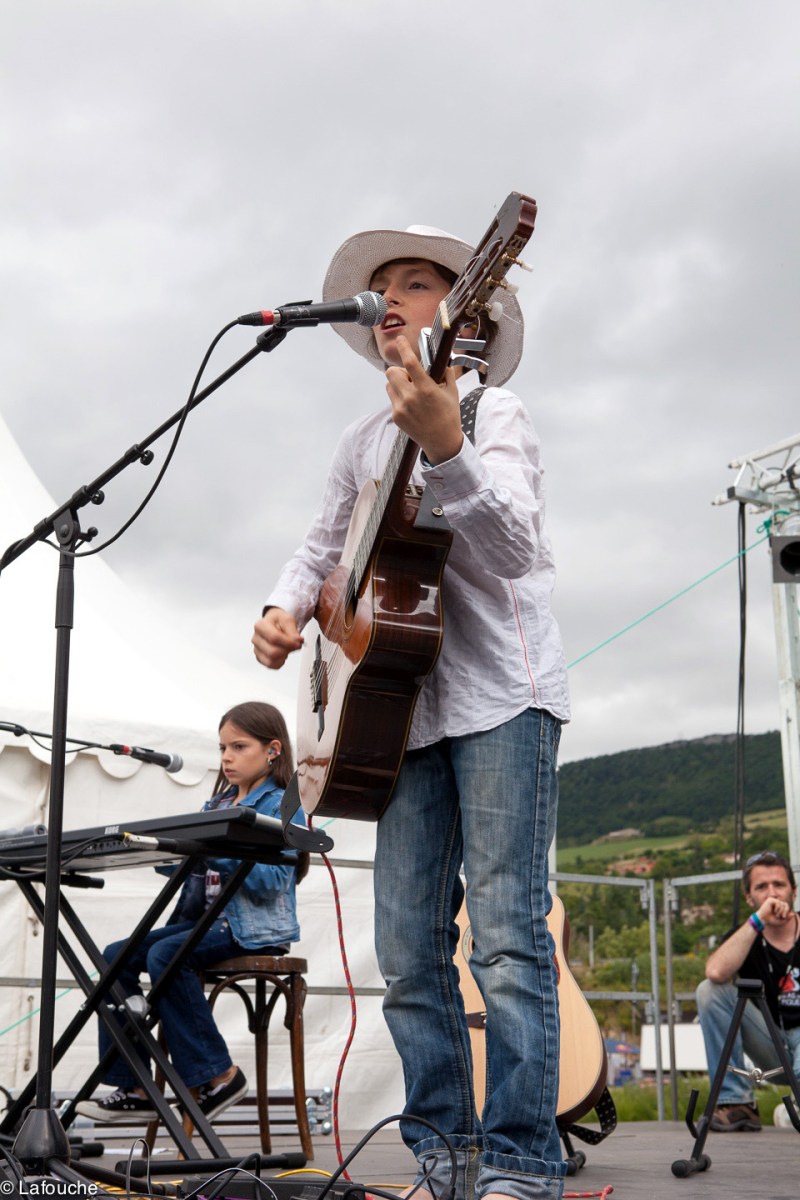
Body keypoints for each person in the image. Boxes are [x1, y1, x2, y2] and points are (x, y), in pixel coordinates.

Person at [252, 223, 570, 1200]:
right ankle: (445, 1154)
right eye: (381, 283)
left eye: (417, 281)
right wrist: (286, 608)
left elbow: (513, 550)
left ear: (468, 308)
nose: (390, 295)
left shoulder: (494, 410)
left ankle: (520, 1161)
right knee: (404, 951)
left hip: (500, 696)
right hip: (397, 713)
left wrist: (446, 446)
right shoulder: (359, 440)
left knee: (507, 938)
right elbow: (321, 547)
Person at [76, 701, 306, 1123]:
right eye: (222, 748)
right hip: (204, 925)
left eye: (239, 747)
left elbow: (275, 881)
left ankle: (221, 1076)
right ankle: (135, 1088)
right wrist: (160, 848)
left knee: (166, 956)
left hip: (250, 930)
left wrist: (215, 852)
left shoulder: (283, 805)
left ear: (273, 750)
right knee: (114, 956)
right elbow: (194, 865)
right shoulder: (216, 804)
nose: (227, 758)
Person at [696, 849, 800, 1132]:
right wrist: (758, 921)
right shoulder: (745, 934)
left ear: (793, 891)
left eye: (779, 885)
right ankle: (737, 1102)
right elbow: (715, 972)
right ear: (749, 898)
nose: (772, 893)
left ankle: (791, 1110)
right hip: (771, 1042)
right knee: (710, 991)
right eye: (761, 887)